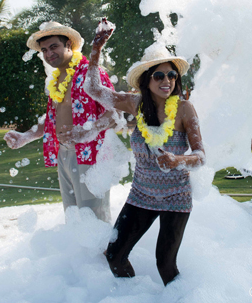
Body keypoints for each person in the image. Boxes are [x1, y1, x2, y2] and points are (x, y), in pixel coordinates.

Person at [85, 19, 206, 286]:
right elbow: (93, 90)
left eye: (172, 75)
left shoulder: (185, 109)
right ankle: (133, 296)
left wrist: (178, 160)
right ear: (145, 80)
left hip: (176, 196)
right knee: (114, 256)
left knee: (165, 264)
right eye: (159, 75)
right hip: (141, 194)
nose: (167, 81)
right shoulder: (134, 103)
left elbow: (200, 156)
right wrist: (96, 50)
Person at [3, 21, 116, 222]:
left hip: (90, 154)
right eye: (44, 50)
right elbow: (52, 119)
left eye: (53, 46)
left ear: (69, 45)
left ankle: (109, 254)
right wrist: (26, 136)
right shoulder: (55, 80)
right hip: (64, 154)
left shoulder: (91, 72)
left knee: (94, 220)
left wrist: (87, 132)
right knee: (73, 219)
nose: (48, 54)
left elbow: (115, 112)